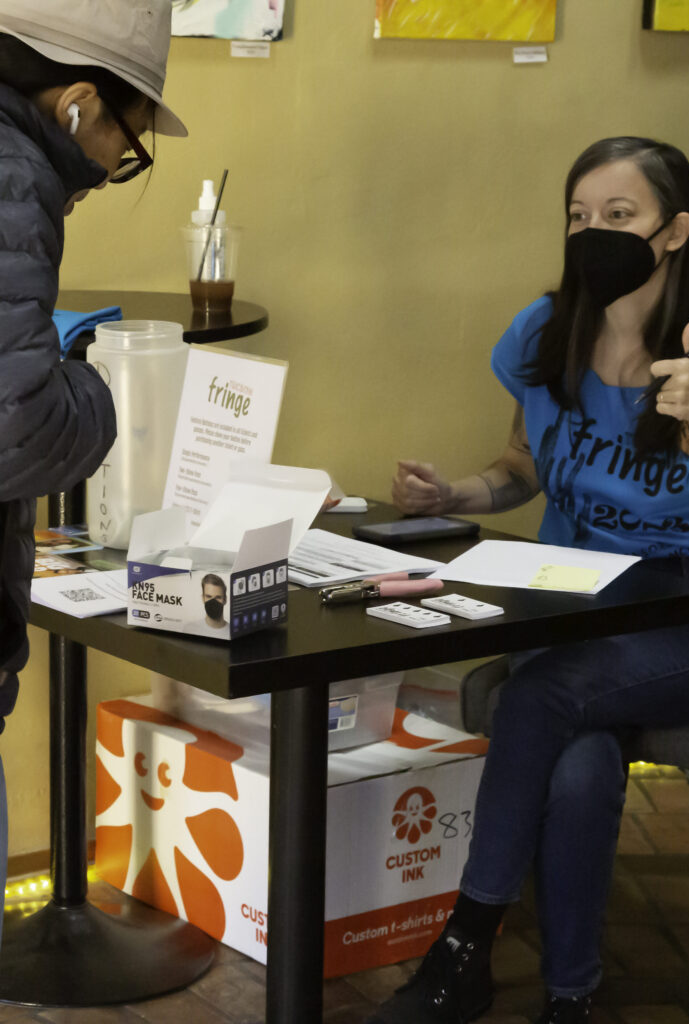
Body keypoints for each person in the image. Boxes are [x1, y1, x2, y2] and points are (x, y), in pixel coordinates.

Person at [367, 136, 689, 1023]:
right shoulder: (547, 331)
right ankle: (570, 999)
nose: (594, 235)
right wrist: (454, 493)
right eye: (579, 217)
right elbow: (523, 466)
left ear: (674, 231)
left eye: (619, 216)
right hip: (574, 596)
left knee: (541, 699)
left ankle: (462, 950)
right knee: (581, 761)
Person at [0, 0, 186, 944]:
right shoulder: (14, 176)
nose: (116, 168)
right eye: (129, 143)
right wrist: (99, 388)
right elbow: (19, 430)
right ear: (77, 103)